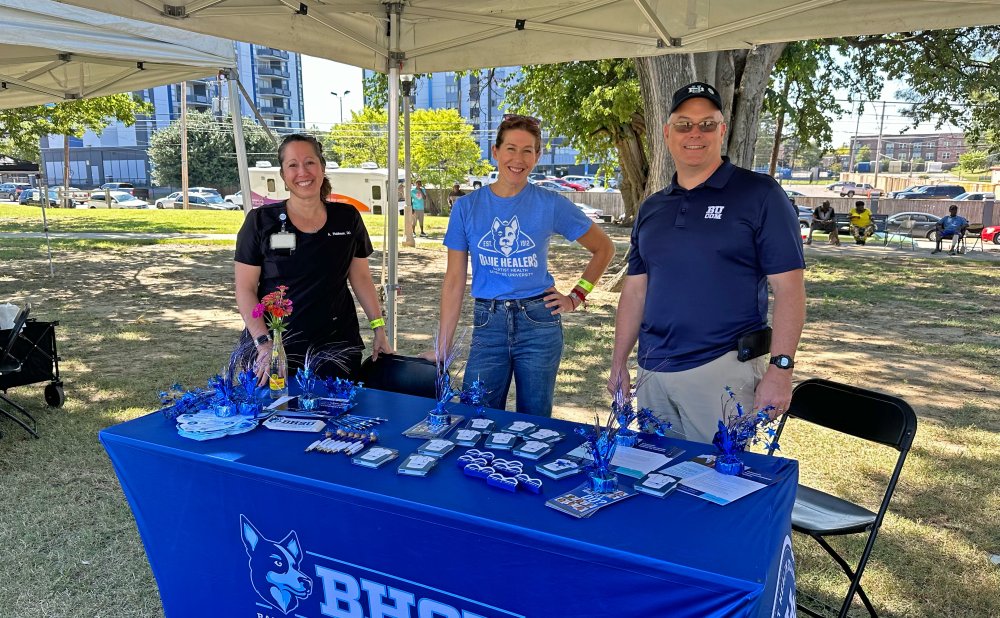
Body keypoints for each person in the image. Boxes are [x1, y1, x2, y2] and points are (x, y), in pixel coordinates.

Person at [608, 82, 806, 444]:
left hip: (722, 369)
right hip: (653, 372)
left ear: (722, 131)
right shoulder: (652, 207)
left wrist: (781, 369)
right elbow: (636, 290)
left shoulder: (760, 194)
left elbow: (789, 290)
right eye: (684, 124)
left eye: (706, 124)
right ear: (667, 133)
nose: (694, 133)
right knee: (655, 479)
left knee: (717, 488)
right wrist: (619, 361)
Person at [434, 114, 615, 417]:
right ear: (495, 152)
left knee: (535, 423)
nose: (518, 159)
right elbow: (453, 282)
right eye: (510, 149)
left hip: (539, 324)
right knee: (474, 417)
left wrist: (577, 297)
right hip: (488, 323)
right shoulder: (467, 207)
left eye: (527, 150)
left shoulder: (550, 203)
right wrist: (443, 349)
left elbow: (604, 248)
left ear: (538, 156)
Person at [235, 133, 392, 383]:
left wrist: (379, 328)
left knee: (338, 416)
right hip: (277, 348)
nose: (302, 172)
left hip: (336, 347)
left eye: (309, 162)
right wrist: (264, 344)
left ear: (322, 167)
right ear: (283, 175)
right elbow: (245, 289)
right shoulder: (260, 221)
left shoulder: (347, 217)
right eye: (293, 165)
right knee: (275, 417)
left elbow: (361, 278)